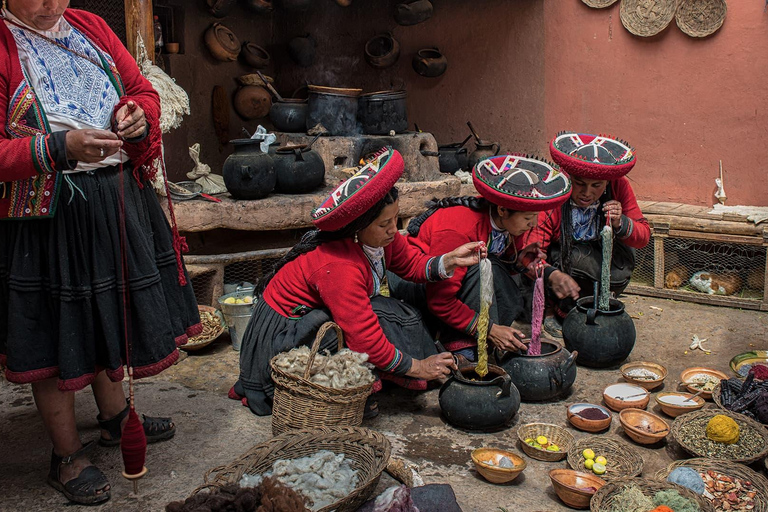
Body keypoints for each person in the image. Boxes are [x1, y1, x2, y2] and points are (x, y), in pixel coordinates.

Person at [0, 1, 200, 505]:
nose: (51, 3)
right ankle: (66, 456)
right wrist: (59, 148)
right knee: (57, 330)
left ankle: (114, 419)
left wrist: (136, 117)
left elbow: (142, 91)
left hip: (115, 197)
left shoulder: (88, 26)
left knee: (111, 313)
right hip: (48, 216)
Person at [232, 147, 487, 416]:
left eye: (395, 219)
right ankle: (355, 390)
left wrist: (449, 261)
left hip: (312, 319)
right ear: (358, 228)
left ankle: (395, 373)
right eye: (384, 224)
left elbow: (411, 264)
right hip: (285, 335)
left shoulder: (380, 240)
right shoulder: (339, 265)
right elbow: (365, 338)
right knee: (378, 319)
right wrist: (418, 366)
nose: (393, 230)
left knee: (396, 312)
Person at [394, 154, 574, 360]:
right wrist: (489, 329)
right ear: (502, 209)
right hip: (418, 287)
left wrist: (535, 266)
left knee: (498, 275)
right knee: (481, 267)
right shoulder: (459, 231)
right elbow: (440, 301)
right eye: (528, 218)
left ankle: (484, 344)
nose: (533, 224)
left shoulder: (510, 225)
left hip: (454, 286)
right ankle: (463, 350)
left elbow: (507, 261)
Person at [522, 132, 650, 336]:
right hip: (564, 262)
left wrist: (620, 222)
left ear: (607, 182)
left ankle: (593, 303)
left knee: (619, 263)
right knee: (569, 262)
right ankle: (551, 311)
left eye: (596, 185)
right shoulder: (554, 189)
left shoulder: (619, 185)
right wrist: (552, 274)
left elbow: (643, 236)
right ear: (568, 176)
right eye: (579, 183)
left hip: (599, 262)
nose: (587, 193)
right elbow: (528, 254)